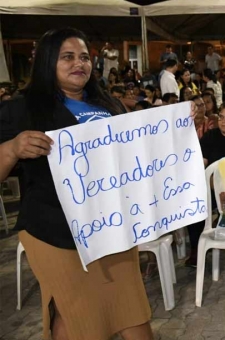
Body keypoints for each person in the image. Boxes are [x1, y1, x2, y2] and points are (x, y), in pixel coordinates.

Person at [0, 28, 153, 340]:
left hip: (113, 227)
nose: (79, 63)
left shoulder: (109, 104)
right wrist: (12, 149)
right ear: (46, 62)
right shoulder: (22, 108)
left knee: (130, 309)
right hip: (54, 230)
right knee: (77, 312)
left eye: (84, 57)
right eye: (67, 57)